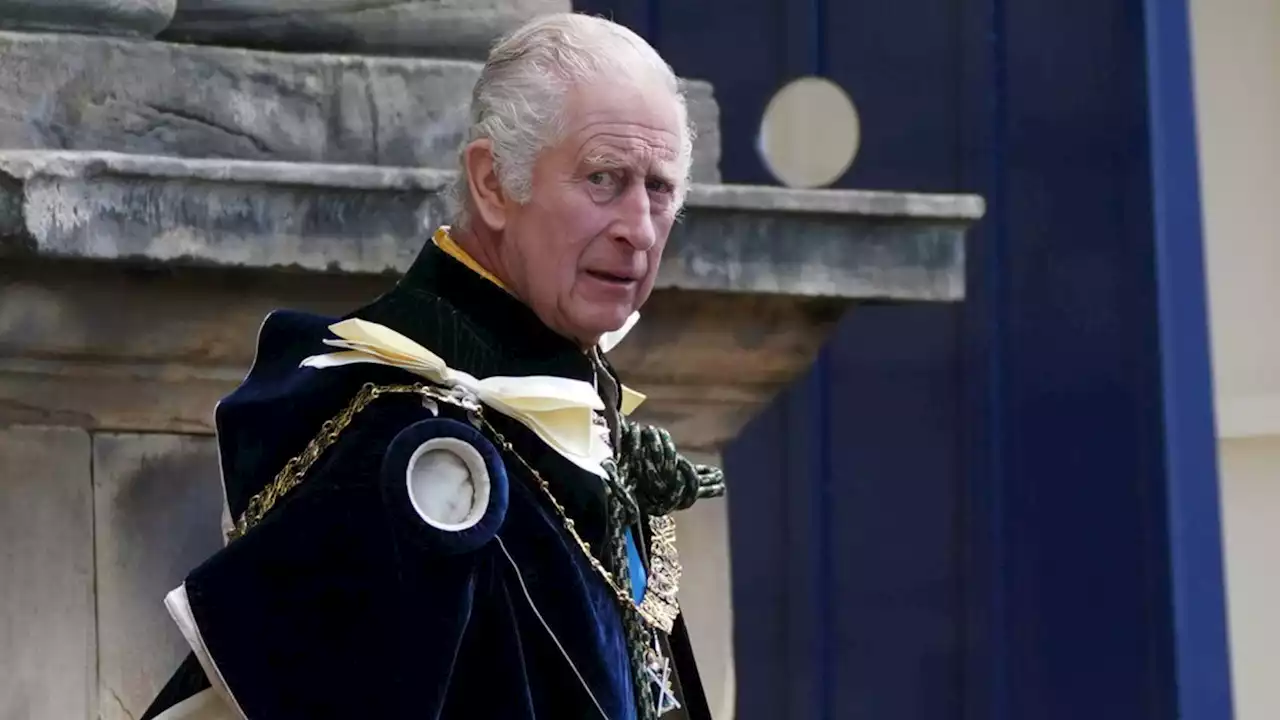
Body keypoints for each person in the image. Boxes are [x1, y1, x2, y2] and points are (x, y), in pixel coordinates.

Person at [141, 12, 725, 720]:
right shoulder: (404, 450)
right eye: (603, 178)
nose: (638, 227)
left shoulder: (571, 419)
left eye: (659, 189)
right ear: (492, 182)